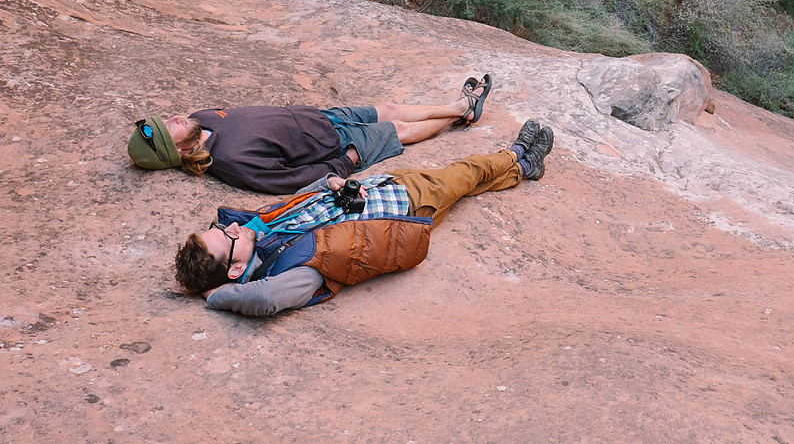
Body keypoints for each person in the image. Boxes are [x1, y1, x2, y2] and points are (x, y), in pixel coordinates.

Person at [173, 120, 555, 316]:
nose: (234, 226)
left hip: (383, 184)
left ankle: (524, 170)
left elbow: (303, 201)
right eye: (229, 237)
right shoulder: (294, 272)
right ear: (237, 270)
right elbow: (267, 298)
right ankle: (516, 152)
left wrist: (332, 181)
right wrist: (217, 297)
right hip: (407, 208)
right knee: (466, 172)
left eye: (221, 227)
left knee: (465, 186)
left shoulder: (263, 233)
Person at [128, 74, 492, 194]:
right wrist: (345, 163)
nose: (174, 117)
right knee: (399, 130)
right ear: (176, 149)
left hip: (321, 118)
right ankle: (462, 110)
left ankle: (459, 108)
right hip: (338, 146)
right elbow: (294, 180)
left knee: (391, 108)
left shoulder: (200, 116)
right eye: (169, 126)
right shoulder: (230, 163)